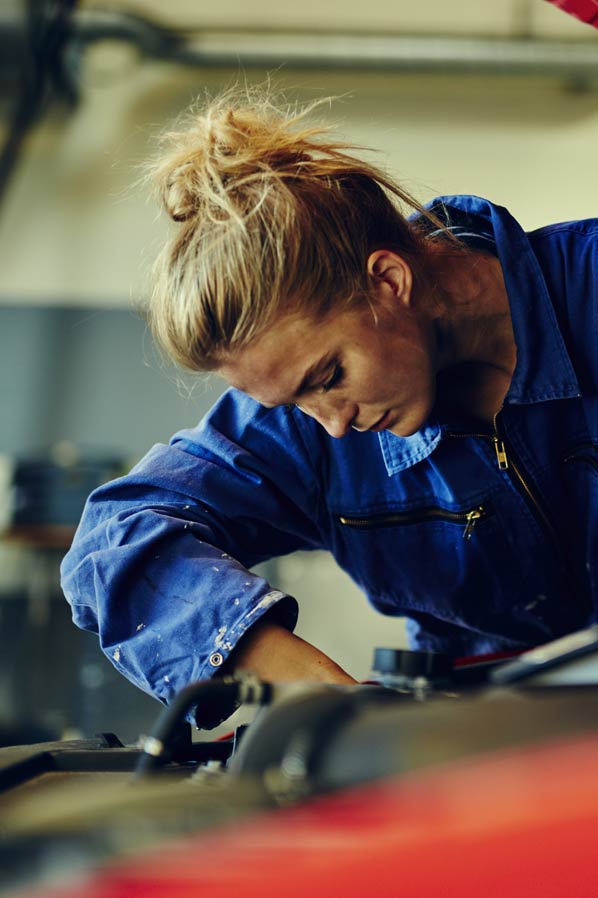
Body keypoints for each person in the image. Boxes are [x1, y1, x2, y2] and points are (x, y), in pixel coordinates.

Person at [60, 88, 598, 712]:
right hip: (475, 759)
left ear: (389, 281)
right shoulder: (306, 429)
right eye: (293, 402)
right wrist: (327, 704)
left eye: (327, 376)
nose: (334, 427)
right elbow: (113, 539)